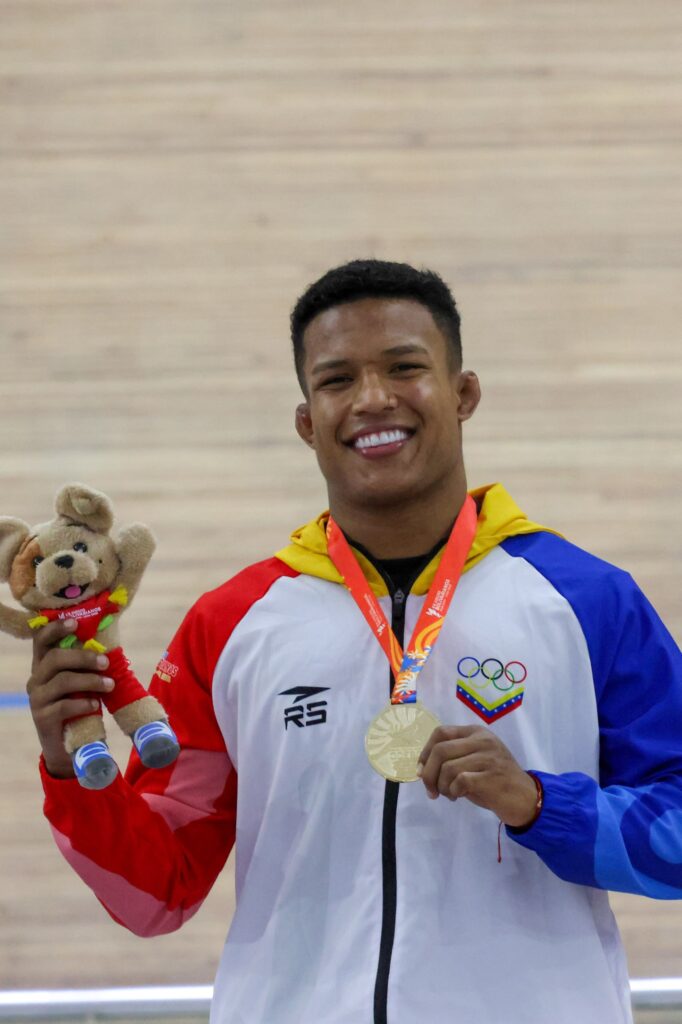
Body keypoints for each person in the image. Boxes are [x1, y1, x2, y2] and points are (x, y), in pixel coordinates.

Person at [27, 260, 682, 1024]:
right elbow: (155, 894)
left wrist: (541, 805)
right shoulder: (231, 623)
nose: (372, 398)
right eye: (337, 379)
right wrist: (72, 772)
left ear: (464, 393)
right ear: (308, 421)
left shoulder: (589, 600)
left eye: (405, 367)